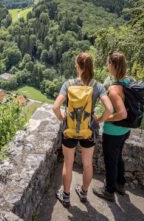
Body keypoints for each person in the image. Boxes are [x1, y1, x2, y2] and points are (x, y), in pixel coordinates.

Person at [53, 52, 113, 207]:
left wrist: (63, 119)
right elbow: (110, 108)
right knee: (87, 163)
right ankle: (84, 193)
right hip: (88, 130)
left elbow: (55, 107)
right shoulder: (97, 86)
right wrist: (98, 120)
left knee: (68, 163)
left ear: (77, 67)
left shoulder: (68, 84)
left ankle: (66, 197)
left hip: (70, 129)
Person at [93, 51, 133, 201]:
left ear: (113, 65)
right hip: (126, 130)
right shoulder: (130, 81)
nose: (107, 66)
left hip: (113, 131)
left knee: (110, 160)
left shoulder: (114, 89)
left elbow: (122, 114)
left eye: (108, 63)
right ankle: (120, 184)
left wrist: (105, 119)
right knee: (118, 157)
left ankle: (108, 190)